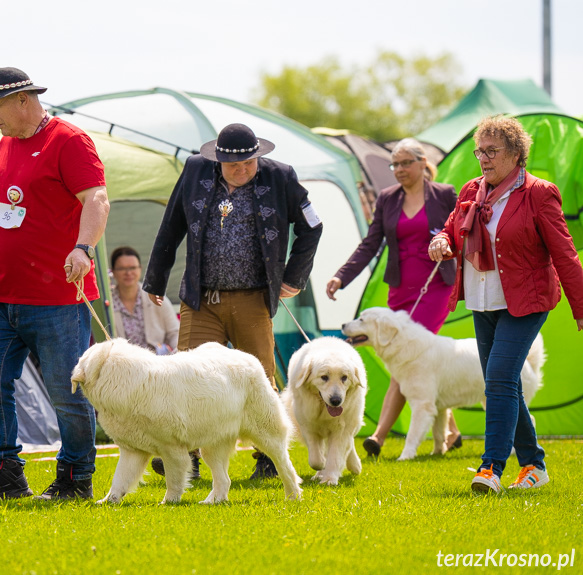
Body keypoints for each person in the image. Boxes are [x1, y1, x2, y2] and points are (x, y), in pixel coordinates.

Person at [144, 123, 323, 479]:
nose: (242, 171)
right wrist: (156, 278)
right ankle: (187, 457)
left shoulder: (281, 177)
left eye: (249, 164)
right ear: (217, 159)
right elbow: (172, 223)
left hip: (253, 297)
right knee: (188, 377)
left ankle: (270, 458)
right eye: (233, 166)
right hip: (201, 298)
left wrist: (293, 277)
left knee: (260, 378)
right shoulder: (195, 169)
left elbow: (311, 226)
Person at [0, 67, 110, 500]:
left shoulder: (69, 140)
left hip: (57, 295)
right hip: (3, 293)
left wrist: (82, 248)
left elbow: (96, 200)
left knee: (67, 392)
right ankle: (4, 471)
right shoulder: (7, 143)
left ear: (24, 100)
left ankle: (75, 478)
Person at [429, 116, 583, 493]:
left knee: (497, 379)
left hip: (527, 301)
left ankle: (490, 469)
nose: (483, 157)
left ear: (516, 154)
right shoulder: (471, 190)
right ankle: (534, 465)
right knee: (504, 382)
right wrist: (442, 242)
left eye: (492, 151)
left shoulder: (539, 193)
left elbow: (564, 254)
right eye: (479, 150)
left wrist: (581, 307)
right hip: (483, 300)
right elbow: (452, 228)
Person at [326, 138, 462, 457]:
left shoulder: (444, 195)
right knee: (417, 364)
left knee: (407, 361)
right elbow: (371, 243)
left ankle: (379, 436)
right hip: (401, 290)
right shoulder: (387, 198)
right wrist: (341, 276)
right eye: (394, 165)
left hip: (435, 286)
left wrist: (449, 250)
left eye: (404, 163)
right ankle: (452, 431)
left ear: (421, 162)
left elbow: (460, 233)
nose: (398, 170)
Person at [109, 246, 179, 354]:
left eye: (132, 267)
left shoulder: (156, 297)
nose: (128, 273)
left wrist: (177, 355)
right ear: (113, 272)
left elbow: (175, 333)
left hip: (158, 363)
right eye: (122, 268)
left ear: (140, 269)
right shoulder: (108, 303)